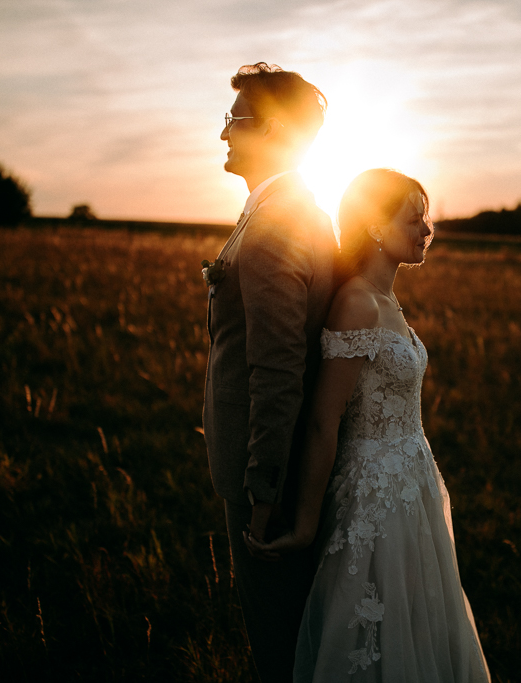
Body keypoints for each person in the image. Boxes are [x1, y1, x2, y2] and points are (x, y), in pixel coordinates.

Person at [247, 169, 491, 681]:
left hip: (411, 483)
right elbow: (322, 421)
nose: (427, 228)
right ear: (375, 226)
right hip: (374, 495)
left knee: (419, 618)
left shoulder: (388, 302)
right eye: (413, 217)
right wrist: (307, 522)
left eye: (427, 216)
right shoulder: (358, 302)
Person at [201, 62, 337, 683]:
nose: (224, 133)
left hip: (268, 483)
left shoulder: (276, 225)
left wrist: (263, 490)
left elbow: (278, 371)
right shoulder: (286, 209)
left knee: (280, 647)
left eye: (236, 118)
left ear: (273, 128)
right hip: (275, 472)